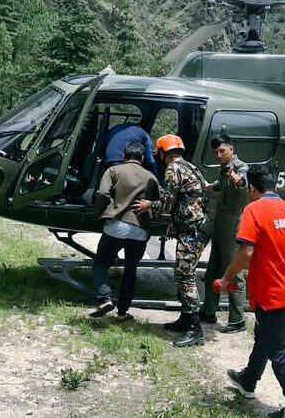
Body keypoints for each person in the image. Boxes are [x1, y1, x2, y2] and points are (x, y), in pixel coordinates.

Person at [220, 164, 285, 418]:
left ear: (252, 189)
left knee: (278, 351)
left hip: (270, 295)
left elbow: (246, 252)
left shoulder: (253, 210)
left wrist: (226, 278)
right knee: (265, 336)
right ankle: (248, 381)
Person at [132, 134, 211, 347]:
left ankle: (195, 329)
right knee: (183, 273)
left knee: (185, 276)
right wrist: (176, 222)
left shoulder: (172, 169)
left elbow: (166, 203)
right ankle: (186, 319)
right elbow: (193, 198)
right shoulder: (190, 167)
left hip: (192, 230)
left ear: (161, 152)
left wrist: (149, 205)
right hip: (195, 227)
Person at [89, 143, 159, 320]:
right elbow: (158, 203)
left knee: (101, 263)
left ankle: (104, 298)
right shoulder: (151, 176)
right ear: (142, 159)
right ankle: (122, 313)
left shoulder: (113, 171)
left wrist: (102, 213)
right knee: (130, 270)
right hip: (139, 231)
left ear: (124, 156)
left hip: (116, 227)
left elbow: (103, 194)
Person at [201, 134, 249, 333]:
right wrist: (210, 186)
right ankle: (208, 311)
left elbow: (242, 181)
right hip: (220, 223)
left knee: (234, 272)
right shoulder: (224, 168)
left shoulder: (240, 167)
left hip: (232, 224)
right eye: (215, 152)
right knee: (212, 271)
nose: (218, 155)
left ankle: (237, 319)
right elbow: (221, 185)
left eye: (222, 151)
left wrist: (237, 179)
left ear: (232, 149)